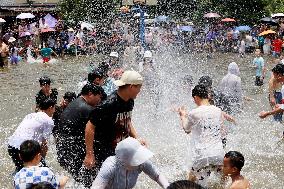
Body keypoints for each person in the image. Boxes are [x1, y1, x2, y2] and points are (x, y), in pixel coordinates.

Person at [83, 71, 145, 186]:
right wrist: (89, 154)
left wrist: (136, 138)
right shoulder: (108, 104)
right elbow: (89, 126)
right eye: (139, 87)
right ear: (131, 87)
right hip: (105, 152)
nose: (140, 91)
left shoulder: (130, 101)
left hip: (121, 150)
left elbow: (127, 121)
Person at [56, 83, 106, 187]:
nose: (100, 101)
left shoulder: (75, 102)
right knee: (88, 181)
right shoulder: (86, 108)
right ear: (91, 94)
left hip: (64, 150)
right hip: (73, 152)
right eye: (99, 97)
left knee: (79, 180)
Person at [176, 85, 225, 187]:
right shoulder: (218, 110)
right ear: (207, 96)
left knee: (191, 183)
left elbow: (187, 129)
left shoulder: (194, 113)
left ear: (195, 97)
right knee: (221, 183)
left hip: (202, 155)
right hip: (219, 154)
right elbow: (221, 130)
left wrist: (183, 115)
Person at [91, 137, 169, 189]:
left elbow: (157, 175)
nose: (140, 160)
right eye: (137, 158)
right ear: (124, 161)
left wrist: (168, 187)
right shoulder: (110, 166)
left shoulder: (141, 161)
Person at [8, 98, 56, 172]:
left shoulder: (30, 115)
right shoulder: (49, 121)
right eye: (54, 108)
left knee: (21, 169)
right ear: (50, 108)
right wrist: (41, 159)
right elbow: (44, 144)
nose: (55, 110)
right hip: (25, 149)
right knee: (43, 172)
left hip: (11, 146)